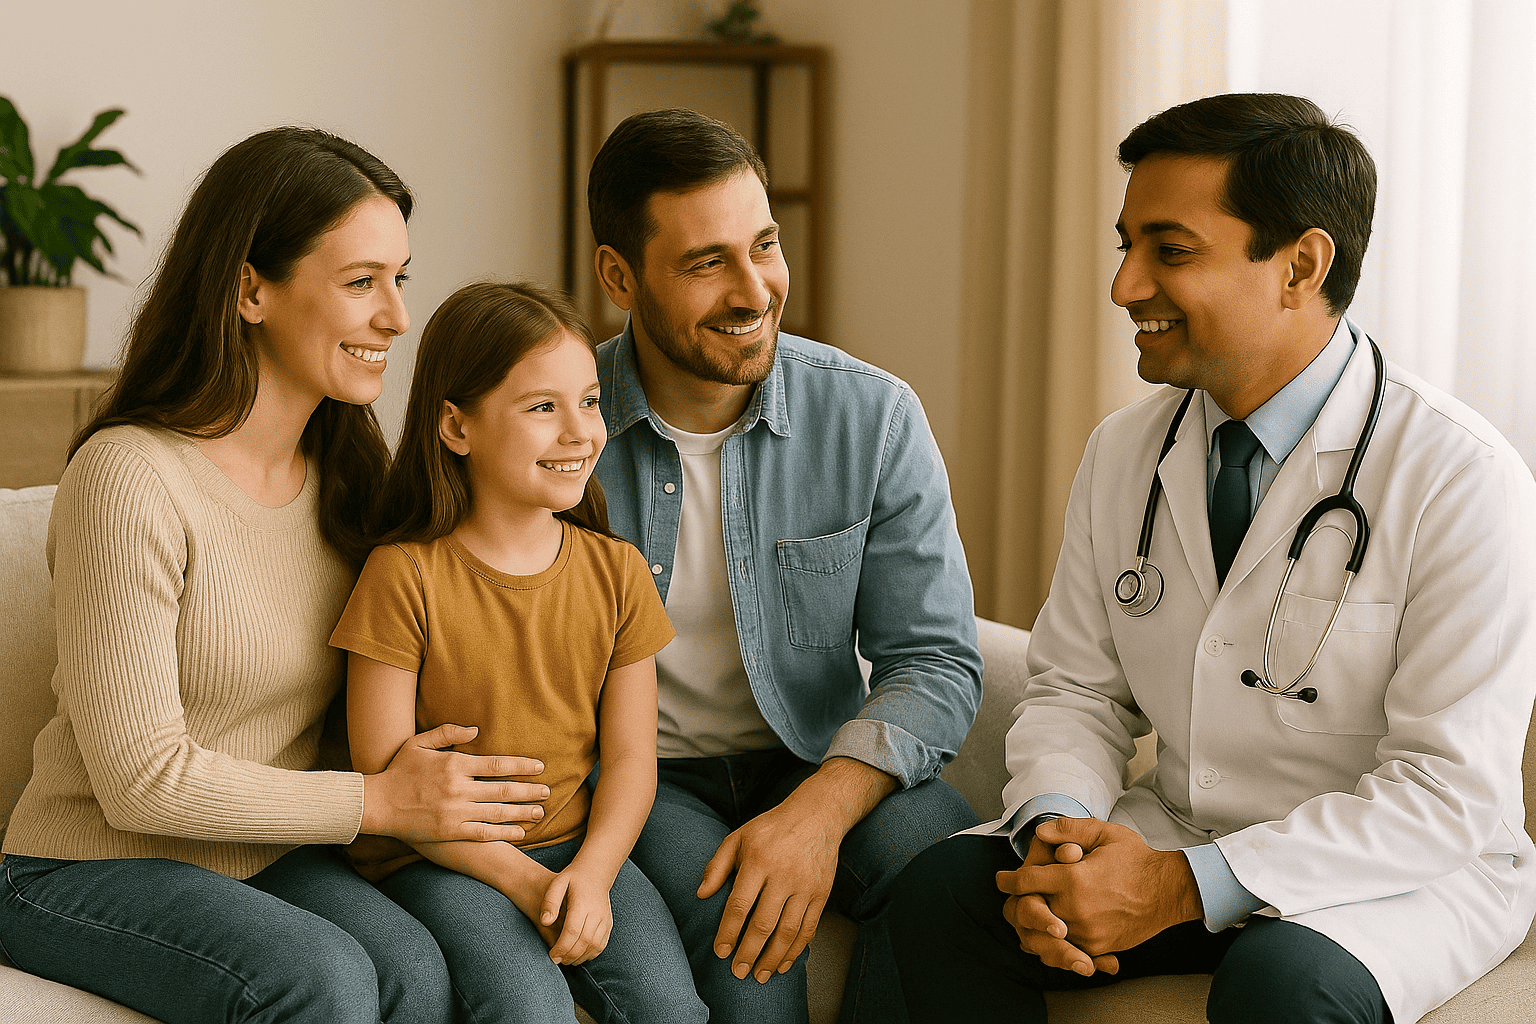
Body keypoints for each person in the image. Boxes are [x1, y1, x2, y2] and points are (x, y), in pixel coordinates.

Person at [887, 92, 1536, 1024]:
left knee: (1282, 986)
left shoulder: (1459, 477)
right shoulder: (1126, 451)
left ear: (1300, 265)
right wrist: (1060, 831)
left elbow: (1445, 793)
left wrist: (1183, 889)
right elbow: (1076, 690)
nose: (1123, 286)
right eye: (1126, 245)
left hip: (1398, 874)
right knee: (950, 892)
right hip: (1178, 830)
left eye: (1170, 251)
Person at [0, 128, 547, 1024]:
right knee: (319, 975)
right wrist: (377, 802)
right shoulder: (129, 477)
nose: (396, 319)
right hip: (86, 865)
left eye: (398, 280)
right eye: (360, 282)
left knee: (414, 967)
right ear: (250, 288)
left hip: (262, 851)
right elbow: (138, 777)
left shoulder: (348, 479)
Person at [584, 107, 984, 1024]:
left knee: (958, 881)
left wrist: (820, 812)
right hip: (643, 776)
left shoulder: (871, 416)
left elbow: (935, 663)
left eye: (763, 245)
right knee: (750, 949)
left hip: (818, 753)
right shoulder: (556, 429)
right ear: (619, 275)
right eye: (704, 262)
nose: (754, 289)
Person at [331, 281, 707, 1024]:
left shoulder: (619, 573)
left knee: (671, 1010)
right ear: (457, 427)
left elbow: (632, 759)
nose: (579, 432)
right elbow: (385, 780)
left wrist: (594, 875)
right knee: (526, 1008)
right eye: (543, 407)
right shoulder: (403, 575)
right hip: (439, 859)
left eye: (590, 401)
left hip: (578, 850)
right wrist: (525, 884)